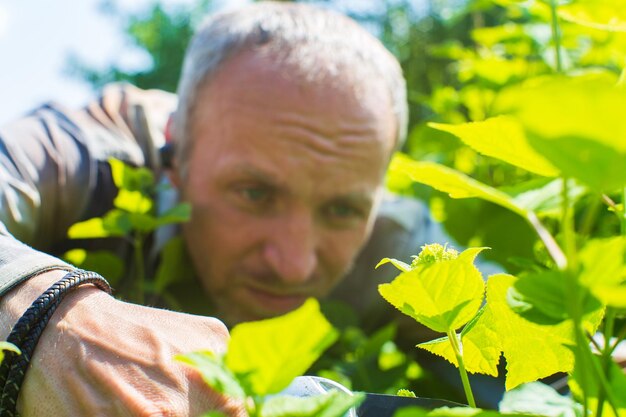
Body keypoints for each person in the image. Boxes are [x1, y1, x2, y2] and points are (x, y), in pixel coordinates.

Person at [0, 2, 459, 415]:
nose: (294, 266)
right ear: (174, 155)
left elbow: (519, 353)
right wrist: (40, 314)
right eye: (255, 194)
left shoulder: (395, 243)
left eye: (341, 211)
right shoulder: (86, 159)